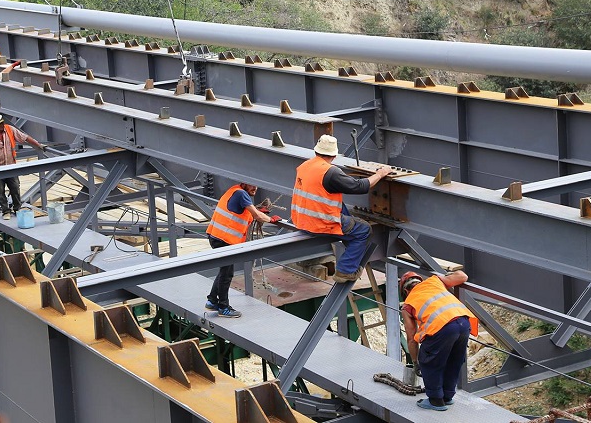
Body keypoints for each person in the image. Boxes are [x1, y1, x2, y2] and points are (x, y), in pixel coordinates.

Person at [291, 134, 392, 283]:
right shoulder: (331, 172)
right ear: (334, 154)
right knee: (363, 230)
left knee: (340, 205)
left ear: (316, 151)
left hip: (301, 221)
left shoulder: (304, 166)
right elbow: (360, 186)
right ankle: (345, 271)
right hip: (320, 224)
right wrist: (380, 174)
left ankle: (348, 254)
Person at [399, 270, 479, 411]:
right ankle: (447, 396)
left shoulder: (408, 305)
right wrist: (449, 273)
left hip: (443, 327)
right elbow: (463, 276)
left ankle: (436, 400)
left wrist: (416, 362)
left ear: (405, 290)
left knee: (428, 360)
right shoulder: (434, 281)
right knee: (454, 360)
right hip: (464, 322)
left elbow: (412, 339)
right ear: (420, 281)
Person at [205, 183, 281, 318]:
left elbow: (242, 214)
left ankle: (212, 300)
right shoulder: (241, 194)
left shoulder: (234, 190)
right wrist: (270, 219)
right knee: (227, 274)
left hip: (217, 237)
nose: (255, 188)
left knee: (224, 270)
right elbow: (257, 216)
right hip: (224, 240)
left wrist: (257, 213)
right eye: (251, 185)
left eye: (257, 186)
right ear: (244, 184)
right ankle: (223, 307)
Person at [0, 112, 46, 220]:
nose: (2, 124)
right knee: (0, 190)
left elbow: (24, 137)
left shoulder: (10, 129)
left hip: (11, 166)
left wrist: (38, 145)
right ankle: (5, 211)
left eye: (2, 122)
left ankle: (17, 208)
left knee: (15, 187)